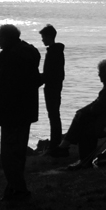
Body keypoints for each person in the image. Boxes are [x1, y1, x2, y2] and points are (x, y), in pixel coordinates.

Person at [0, 24, 43, 200]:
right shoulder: (28, 53)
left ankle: (18, 189)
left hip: (11, 112)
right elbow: (34, 81)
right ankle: (14, 187)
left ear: (7, 38)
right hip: (25, 111)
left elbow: (6, 86)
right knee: (17, 153)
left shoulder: (11, 57)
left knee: (9, 154)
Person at [61, 57, 106, 170]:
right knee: (82, 117)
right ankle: (71, 150)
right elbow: (97, 103)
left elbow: (98, 107)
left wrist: (84, 112)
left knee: (84, 124)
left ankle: (76, 154)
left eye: (100, 72)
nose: (98, 75)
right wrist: (83, 111)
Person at [38, 25, 66, 155]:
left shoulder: (54, 52)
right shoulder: (55, 50)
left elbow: (50, 73)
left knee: (54, 115)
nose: (42, 40)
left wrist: (37, 80)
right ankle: (56, 144)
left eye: (43, 37)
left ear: (49, 37)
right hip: (53, 87)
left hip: (52, 88)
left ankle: (55, 145)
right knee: (54, 115)